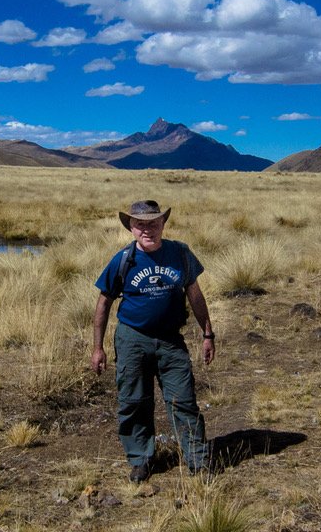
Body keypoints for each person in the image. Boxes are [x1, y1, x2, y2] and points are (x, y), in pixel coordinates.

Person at [91, 200, 215, 482]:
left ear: (163, 224)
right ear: (131, 228)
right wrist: (98, 348)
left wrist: (207, 334)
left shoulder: (179, 253)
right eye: (140, 224)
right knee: (134, 401)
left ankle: (198, 462)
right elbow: (103, 303)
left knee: (183, 401)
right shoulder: (123, 259)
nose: (147, 229)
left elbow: (195, 295)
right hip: (132, 339)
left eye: (153, 223)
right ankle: (140, 460)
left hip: (171, 340)